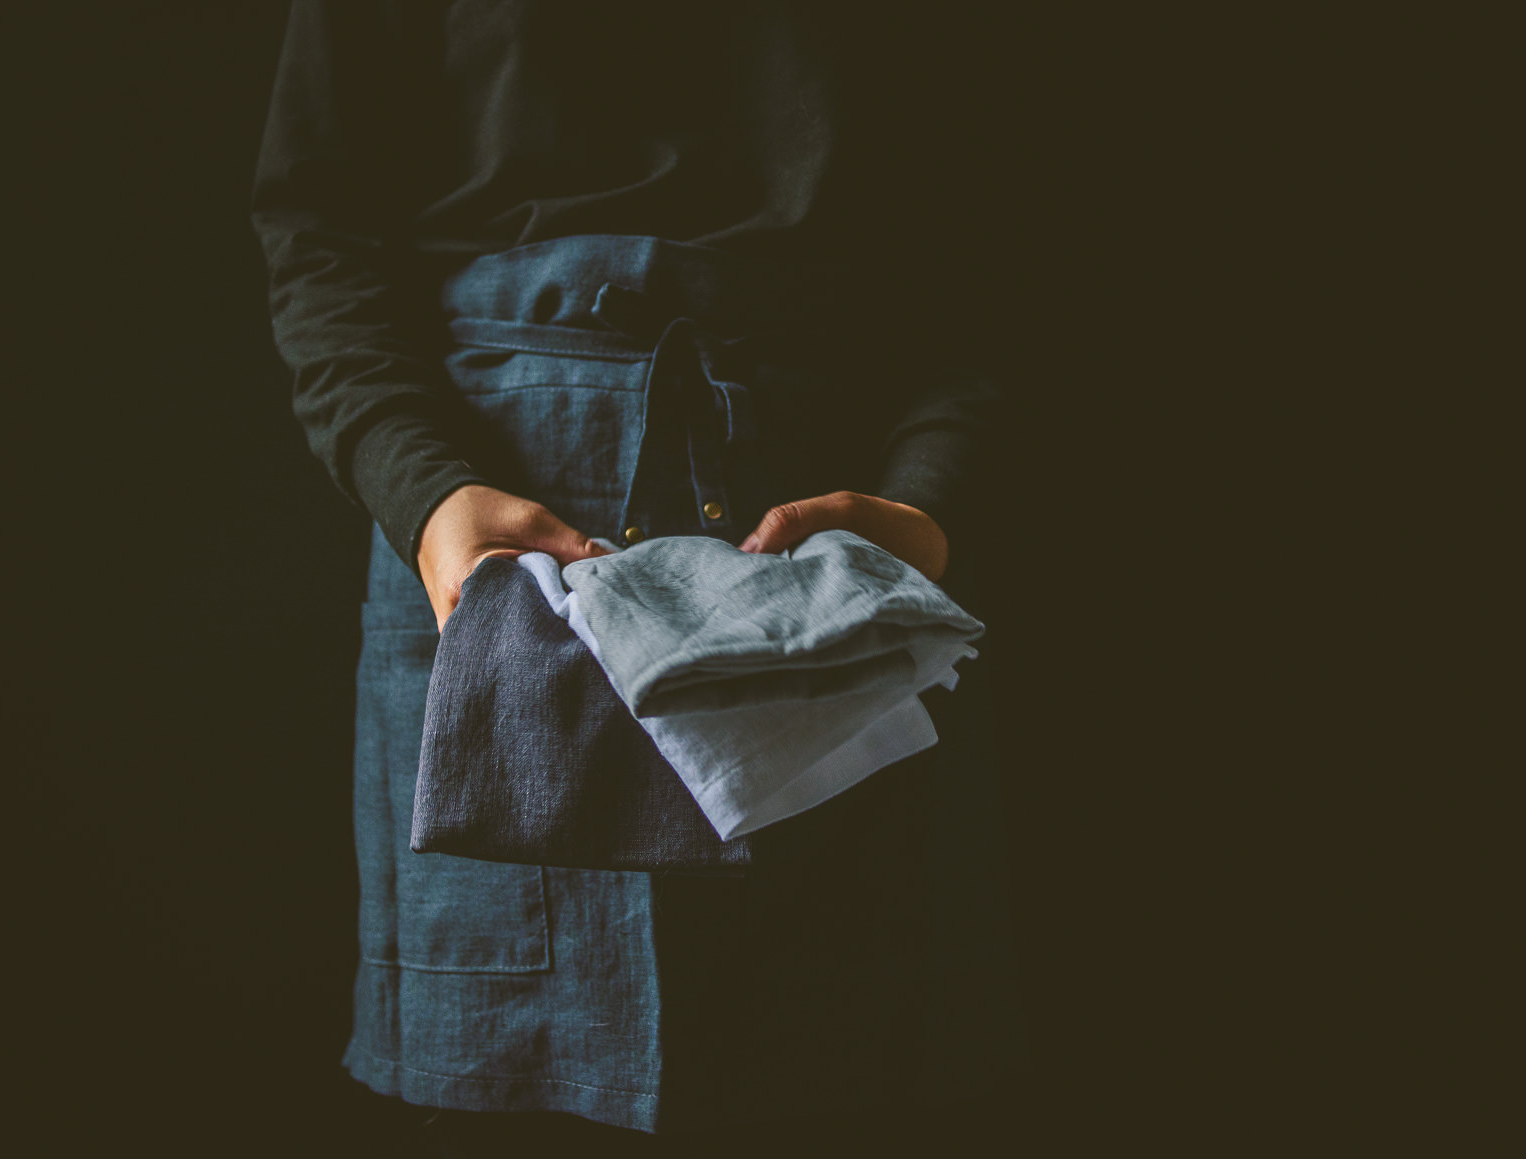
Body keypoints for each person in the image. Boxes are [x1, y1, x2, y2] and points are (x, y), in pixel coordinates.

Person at [252, 2, 1016, 1151]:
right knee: (501, 1087)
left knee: (839, 1075)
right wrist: (420, 491)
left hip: (829, 527)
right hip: (496, 519)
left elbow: (989, 235)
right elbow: (318, 217)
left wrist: (929, 498)